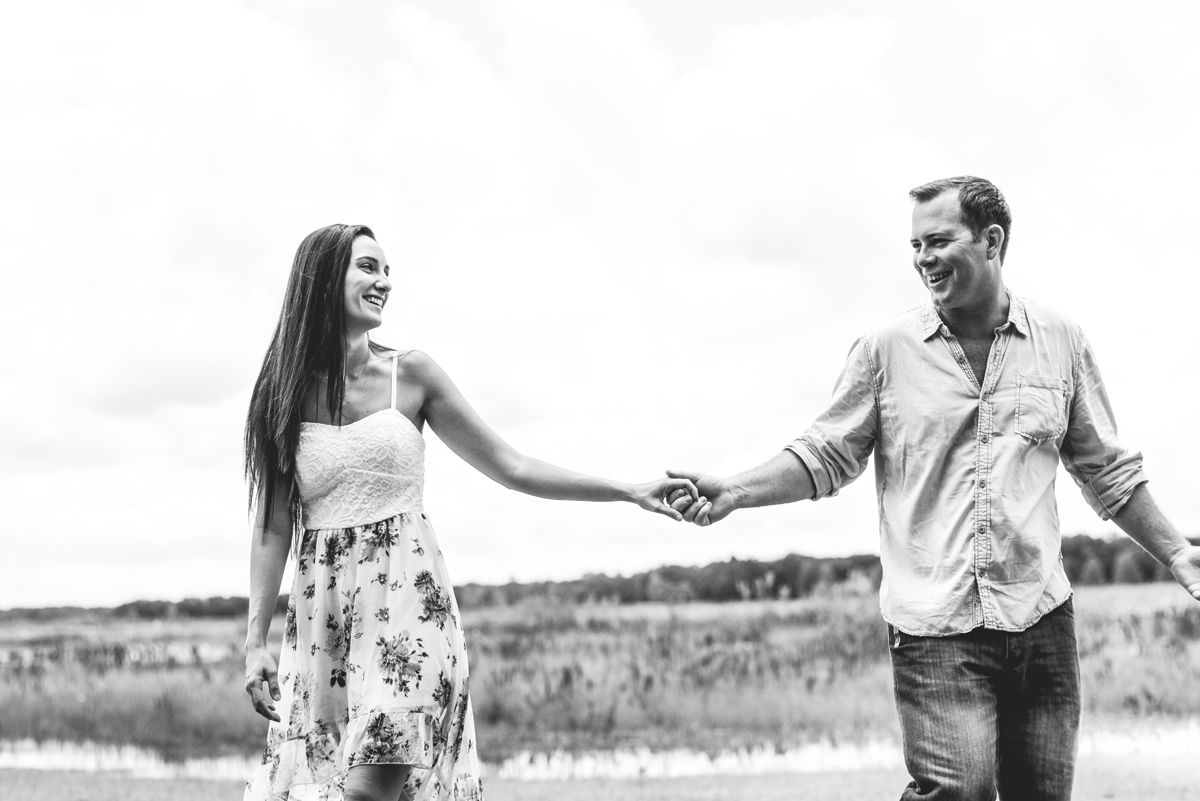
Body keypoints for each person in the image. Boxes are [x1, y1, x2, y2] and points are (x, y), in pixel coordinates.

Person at [667, 176, 1200, 800]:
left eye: (938, 241)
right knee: (957, 793)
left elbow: (1106, 469)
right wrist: (736, 489)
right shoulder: (884, 351)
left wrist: (1175, 549)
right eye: (915, 245)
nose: (922, 259)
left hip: (1041, 621)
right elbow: (826, 452)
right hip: (935, 627)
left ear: (992, 241)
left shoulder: (1062, 341)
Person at [241, 224, 697, 801]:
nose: (384, 281)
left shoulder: (413, 376)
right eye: (368, 267)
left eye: (387, 270)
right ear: (324, 278)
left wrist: (629, 490)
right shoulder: (281, 390)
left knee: (366, 790)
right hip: (326, 623)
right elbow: (272, 525)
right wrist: (255, 639)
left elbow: (513, 465)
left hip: (410, 611)